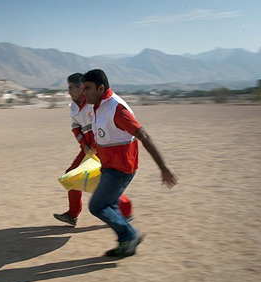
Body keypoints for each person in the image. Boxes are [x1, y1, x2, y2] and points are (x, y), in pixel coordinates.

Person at [80, 69, 178, 256]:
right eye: (83, 88)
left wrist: (163, 167)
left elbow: (143, 135)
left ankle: (129, 235)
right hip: (110, 167)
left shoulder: (116, 108)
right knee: (111, 204)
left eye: (88, 88)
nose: (84, 92)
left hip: (120, 169)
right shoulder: (99, 105)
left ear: (101, 88)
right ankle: (126, 241)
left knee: (97, 206)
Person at [54, 73, 133, 227]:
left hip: (101, 147)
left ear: (80, 88)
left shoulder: (93, 102)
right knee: (72, 175)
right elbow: (75, 127)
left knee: (100, 182)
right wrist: (83, 144)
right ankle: (73, 214)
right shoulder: (72, 107)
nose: (69, 91)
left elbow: (101, 127)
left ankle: (125, 208)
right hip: (87, 148)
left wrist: (97, 146)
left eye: (71, 87)